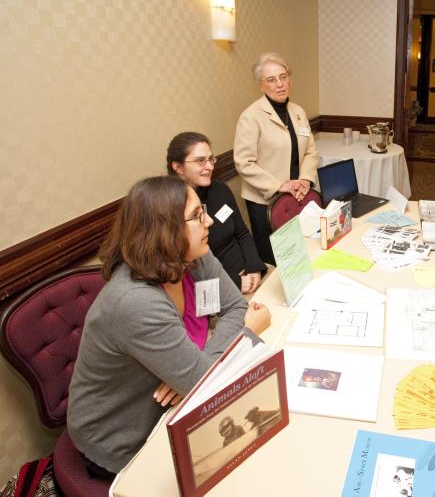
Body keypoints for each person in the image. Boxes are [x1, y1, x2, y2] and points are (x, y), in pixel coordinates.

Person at [67, 176, 271, 478]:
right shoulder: (137, 302)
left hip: (174, 409)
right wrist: (247, 334)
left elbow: (234, 307)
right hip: (122, 440)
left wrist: (194, 368)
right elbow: (204, 383)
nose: (210, 221)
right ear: (164, 232)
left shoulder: (192, 258)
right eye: (196, 216)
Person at [234, 53, 318, 265]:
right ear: (260, 85)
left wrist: (306, 179)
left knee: (297, 252)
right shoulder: (251, 116)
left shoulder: (298, 111)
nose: (280, 84)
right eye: (271, 80)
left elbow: (309, 151)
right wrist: (280, 185)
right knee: (273, 259)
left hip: (297, 195)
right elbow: (244, 162)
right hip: (265, 201)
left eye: (283, 76)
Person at [168, 132, 266, 294]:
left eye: (211, 159)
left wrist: (254, 267)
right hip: (216, 289)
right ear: (178, 167)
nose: (210, 166)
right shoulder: (172, 207)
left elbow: (242, 233)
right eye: (200, 161)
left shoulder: (220, 190)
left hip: (249, 275)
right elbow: (188, 267)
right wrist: (236, 282)